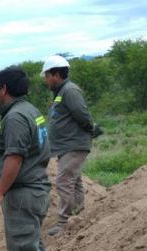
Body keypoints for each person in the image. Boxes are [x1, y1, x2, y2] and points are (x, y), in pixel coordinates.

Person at [0, 65, 51, 251]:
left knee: (24, 248)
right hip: (34, 188)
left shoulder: (14, 118)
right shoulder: (30, 110)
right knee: (31, 244)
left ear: (4, 88)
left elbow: (14, 159)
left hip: (24, 193)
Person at [42, 55, 95, 237]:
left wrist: (91, 129)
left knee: (64, 181)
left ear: (56, 74)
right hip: (66, 146)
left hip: (74, 144)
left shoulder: (70, 91)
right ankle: (78, 217)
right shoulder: (61, 92)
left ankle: (64, 223)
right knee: (74, 181)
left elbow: (82, 114)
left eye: (47, 75)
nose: (45, 80)